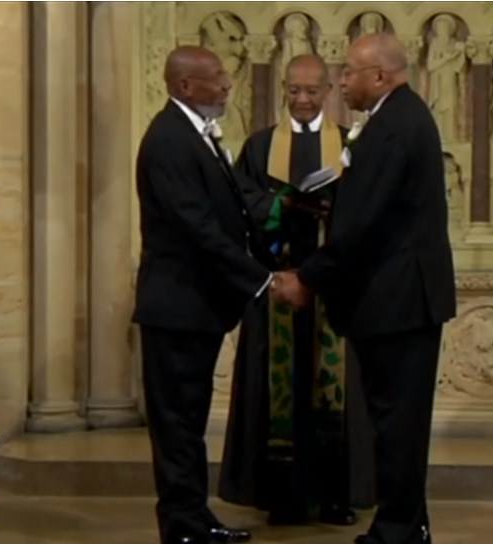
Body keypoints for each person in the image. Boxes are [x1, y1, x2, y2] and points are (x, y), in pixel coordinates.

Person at [271, 34, 457, 544]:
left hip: (398, 300)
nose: (343, 81)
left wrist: (308, 277)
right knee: (398, 421)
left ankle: (397, 531)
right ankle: (408, 524)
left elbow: (365, 223)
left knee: (397, 422)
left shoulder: (394, 126)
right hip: (399, 298)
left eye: (350, 72)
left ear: (380, 76)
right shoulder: (397, 119)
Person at [219, 54, 376, 527]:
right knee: (280, 390)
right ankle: (282, 496)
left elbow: (368, 206)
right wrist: (280, 206)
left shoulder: (349, 145)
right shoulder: (261, 145)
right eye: (294, 91)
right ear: (283, 90)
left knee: (334, 392)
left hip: (334, 290)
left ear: (328, 91)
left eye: (311, 91)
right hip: (280, 284)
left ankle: (335, 496)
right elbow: (240, 202)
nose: (302, 100)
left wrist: (334, 209)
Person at [133, 45, 275, 545]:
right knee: (176, 424)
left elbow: (228, 213)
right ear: (185, 85)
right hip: (177, 307)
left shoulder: (193, 133)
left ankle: (193, 517)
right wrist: (261, 279)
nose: (227, 84)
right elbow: (196, 227)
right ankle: (182, 526)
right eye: (216, 77)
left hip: (195, 307)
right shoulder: (169, 140)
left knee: (189, 421)